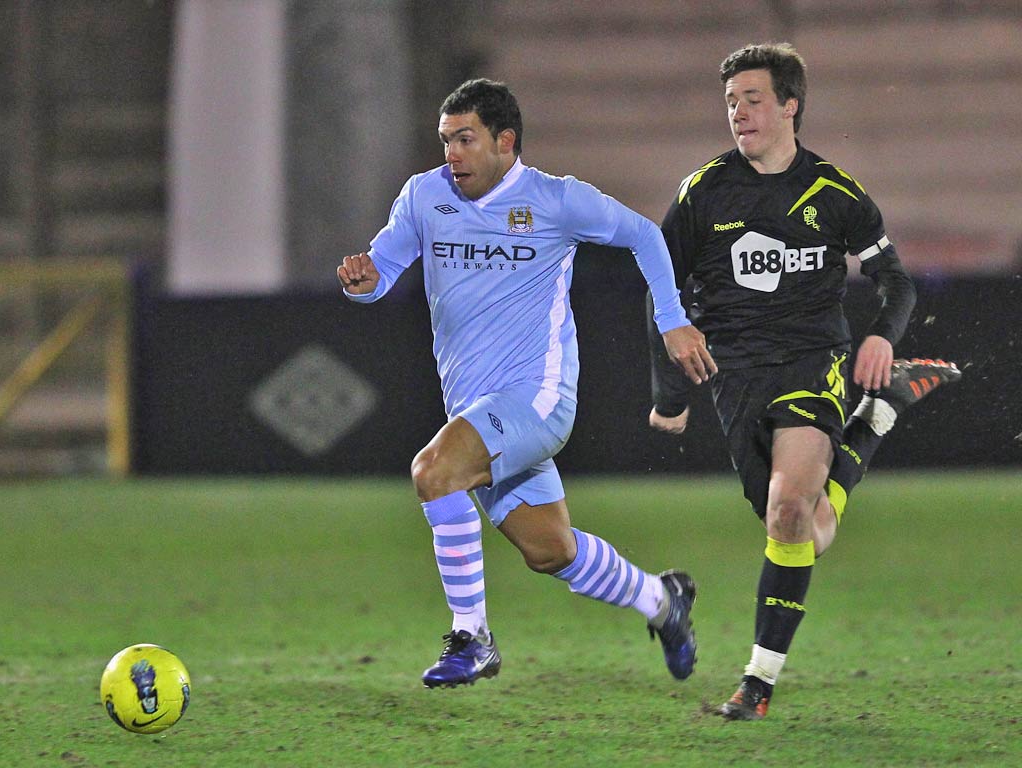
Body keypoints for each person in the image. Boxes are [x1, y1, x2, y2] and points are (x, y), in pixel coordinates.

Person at [338, 78, 716, 688]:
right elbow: (382, 271)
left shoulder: (556, 200)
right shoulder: (424, 196)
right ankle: (662, 601)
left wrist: (672, 319)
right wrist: (364, 280)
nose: (451, 155)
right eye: (445, 141)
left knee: (433, 471)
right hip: (474, 406)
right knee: (550, 551)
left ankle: (472, 637)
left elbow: (645, 235)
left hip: (537, 398)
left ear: (505, 141)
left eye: (465, 139)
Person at [646, 43, 961, 720]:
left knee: (791, 510)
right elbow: (662, 291)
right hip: (734, 376)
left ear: (790, 105)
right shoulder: (703, 192)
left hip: (812, 361)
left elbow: (896, 282)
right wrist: (670, 394)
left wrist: (880, 335)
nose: (739, 113)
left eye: (752, 99)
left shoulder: (833, 192)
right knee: (802, 528)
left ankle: (756, 686)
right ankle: (879, 419)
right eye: (730, 101)